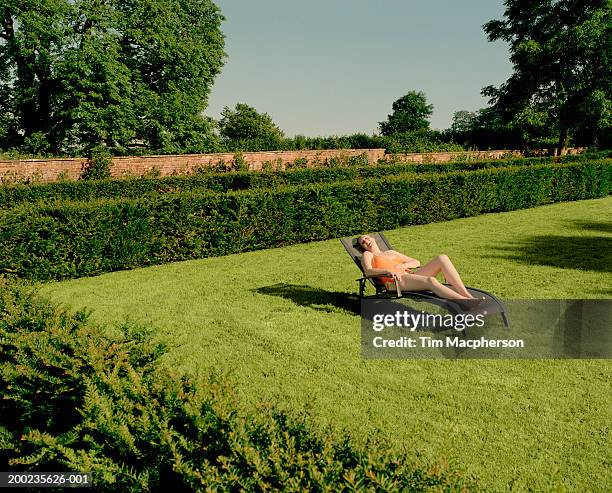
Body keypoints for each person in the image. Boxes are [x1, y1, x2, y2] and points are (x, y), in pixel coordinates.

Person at [357, 234, 481, 301]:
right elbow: (368, 271)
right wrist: (388, 271)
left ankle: (466, 295)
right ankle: (465, 302)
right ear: (363, 247)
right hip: (395, 281)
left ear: (373, 238)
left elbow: (416, 261)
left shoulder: (391, 252)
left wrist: (403, 265)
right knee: (431, 281)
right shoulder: (367, 255)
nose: (366, 241)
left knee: (442, 258)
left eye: (367, 237)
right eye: (363, 242)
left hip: (408, 276)